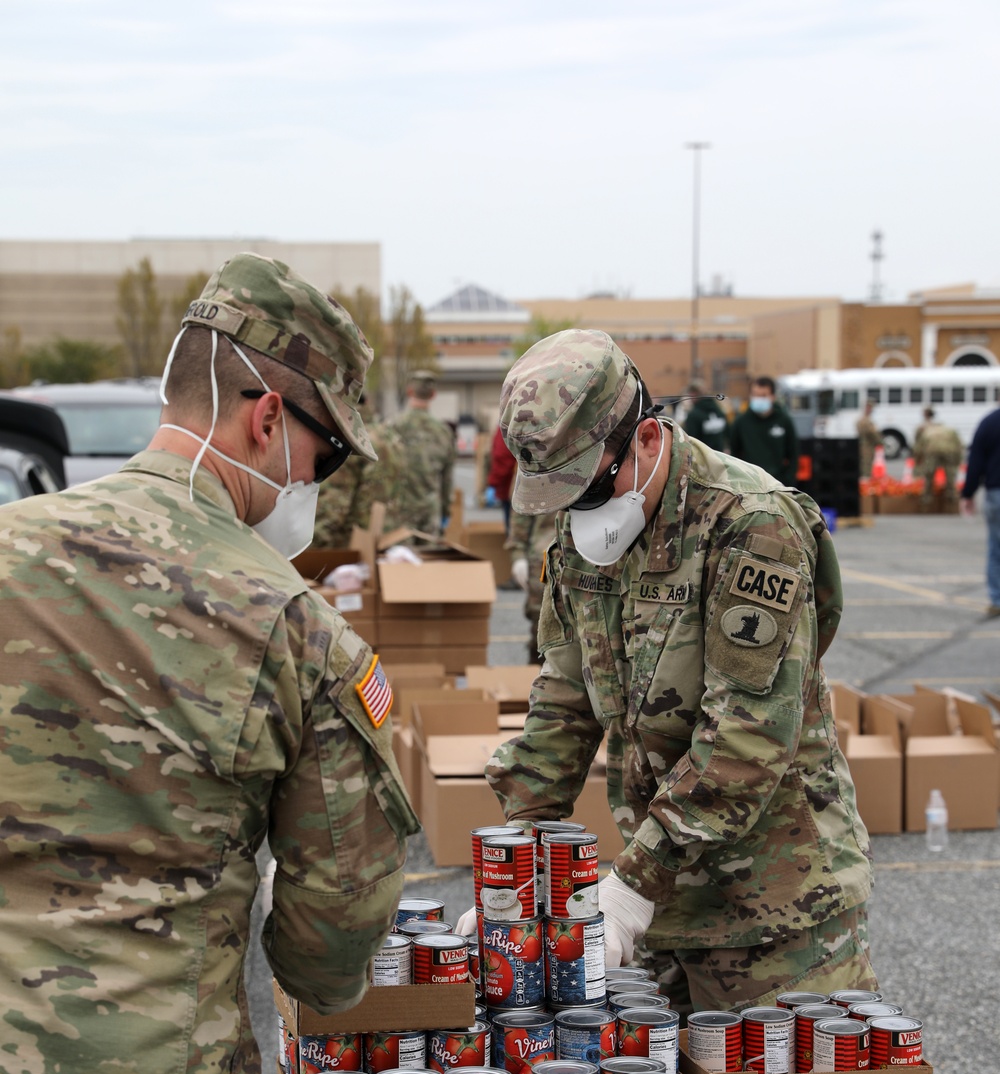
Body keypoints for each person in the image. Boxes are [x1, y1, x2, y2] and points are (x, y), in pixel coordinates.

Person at [0, 253, 418, 1074]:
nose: (315, 487)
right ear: (264, 413)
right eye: (322, 457)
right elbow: (332, 938)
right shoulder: (292, 626)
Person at [461, 330, 875, 1015]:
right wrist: (523, 863)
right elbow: (564, 697)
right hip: (663, 905)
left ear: (647, 438)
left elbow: (747, 739)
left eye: (592, 485)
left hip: (779, 915)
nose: (581, 512)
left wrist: (631, 886)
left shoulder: (751, 526)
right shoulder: (585, 532)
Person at [313, 409, 407, 548]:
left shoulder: (352, 439)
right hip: (385, 540)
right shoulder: (390, 437)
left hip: (350, 546)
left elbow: (334, 504)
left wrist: (315, 548)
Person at [384, 370, 456, 533]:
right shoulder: (443, 431)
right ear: (433, 395)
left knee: (399, 558)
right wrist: (445, 510)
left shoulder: (392, 427)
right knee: (429, 557)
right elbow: (447, 478)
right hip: (429, 512)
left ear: (409, 391)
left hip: (398, 512)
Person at [960, 402, 1000, 618]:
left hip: (996, 492)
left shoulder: (989, 422)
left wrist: (968, 493)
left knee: (996, 549)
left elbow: (975, 461)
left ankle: (996, 599)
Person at [730, 375, 799, 485]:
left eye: (763, 396)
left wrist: (788, 481)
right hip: (750, 483)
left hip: (777, 483)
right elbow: (734, 453)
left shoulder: (783, 420)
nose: (759, 399)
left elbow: (793, 453)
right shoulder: (741, 422)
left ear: (772, 397)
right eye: (755, 395)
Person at [508, 510, 557, 663]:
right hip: (544, 557)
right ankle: (538, 676)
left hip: (586, 557)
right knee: (541, 621)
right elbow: (522, 510)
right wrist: (518, 554)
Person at [912, 407, 964, 510]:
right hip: (949, 450)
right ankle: (951, 500)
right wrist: (958, 461)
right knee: (950, 476)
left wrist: (917, 462)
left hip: (932, 450)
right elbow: (959, 445)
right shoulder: (949, 430)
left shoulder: (926, 429)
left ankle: (926, 500)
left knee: (929, 475)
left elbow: (919, 447)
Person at [682, 379, 731, 452]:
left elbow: (691, 441)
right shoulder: (719, 410)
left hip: (704, 459)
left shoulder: (693, 415)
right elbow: (728, 433)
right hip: (721, 457)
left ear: (693, 394)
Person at [856, 400, 882, 478]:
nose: (871, 410)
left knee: (865, 466)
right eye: (869, 407)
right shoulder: (865, 421)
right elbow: (872, 433)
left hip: (866, 446)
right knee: (866, 468)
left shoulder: (863, 420)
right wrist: (880, 441)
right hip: (867, 446)